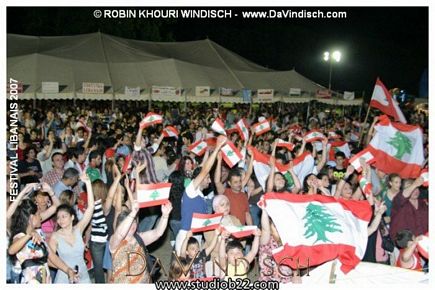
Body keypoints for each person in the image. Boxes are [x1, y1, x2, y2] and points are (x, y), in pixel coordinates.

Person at [175, 135, 227, 255]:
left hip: (197, 236)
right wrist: (218, 147)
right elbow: (204, 170)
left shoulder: (201, 196)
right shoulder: (191, 190)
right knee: (183, 270)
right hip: (186, 236)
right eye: (208, 178)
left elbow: (203, 167)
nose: (209, 181)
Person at [8, 199, 78, 283]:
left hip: (45, 279)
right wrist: (29, 235)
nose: (40, 217)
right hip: (31, 281)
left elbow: (51, 255)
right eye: (38, 214)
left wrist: (68, 270)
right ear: (31, 218)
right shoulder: (20, 235)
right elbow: (11, 250)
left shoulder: (39, 233)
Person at [109, 200, 173, 283]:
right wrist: (133, 213)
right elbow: (120, 234)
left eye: (134, 222)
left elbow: (157, 233)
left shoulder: (138, 238)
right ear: (121, 225)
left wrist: (165, 216)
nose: (133, 225)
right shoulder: (115, 242)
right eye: (130, 223)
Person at [49, 172, 95, 283]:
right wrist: (66, 268)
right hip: (64, 277)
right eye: (58, 218)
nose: (60, 220)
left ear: (72, 217)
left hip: (83, 275)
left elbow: (91, 208)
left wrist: (88, 184)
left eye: (64, 216)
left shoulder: (78, 229)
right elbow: (50, 261)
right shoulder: (55, 236)